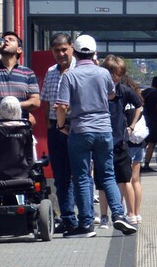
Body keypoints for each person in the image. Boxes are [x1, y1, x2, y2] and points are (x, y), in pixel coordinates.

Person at [54, 35, 137, 237]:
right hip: (104, 130)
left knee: (82, 178)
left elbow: (62, 106)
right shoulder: (103, 74)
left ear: (75, 51)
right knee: (108, 175)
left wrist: (61, 124)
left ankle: (86, 225)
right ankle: (119, 215)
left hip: (80, 130)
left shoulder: (69, 76)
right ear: (94, 53)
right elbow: (111, 95)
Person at [40, 32, 77, 233]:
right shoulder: (51, 71)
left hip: (75, 126)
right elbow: (45, 102)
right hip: (55, 128)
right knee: (61, 176)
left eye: (64, 49)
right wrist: (48, 127)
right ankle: (68, 218)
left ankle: (85, 216)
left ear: (72, 47)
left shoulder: (80, 69)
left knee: (80, 175)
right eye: (57, 51)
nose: (61, 54)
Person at [103, 54, 144, 226]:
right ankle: (105, 216)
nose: (115, 78)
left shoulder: (123, 90)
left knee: (126, 179)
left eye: (119, 74)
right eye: (112, 74)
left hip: (120, 141)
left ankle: (132, 213)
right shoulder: (99, 88)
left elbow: (139, 105)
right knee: (104, 180)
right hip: (103, 139)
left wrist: (132, 126)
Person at [141, 75, 157, 172]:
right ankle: (146, 164)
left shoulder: (144, 92)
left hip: (143, 120)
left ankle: (136, 163)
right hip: (153, 121)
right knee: (151, 143)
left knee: (142, 143)